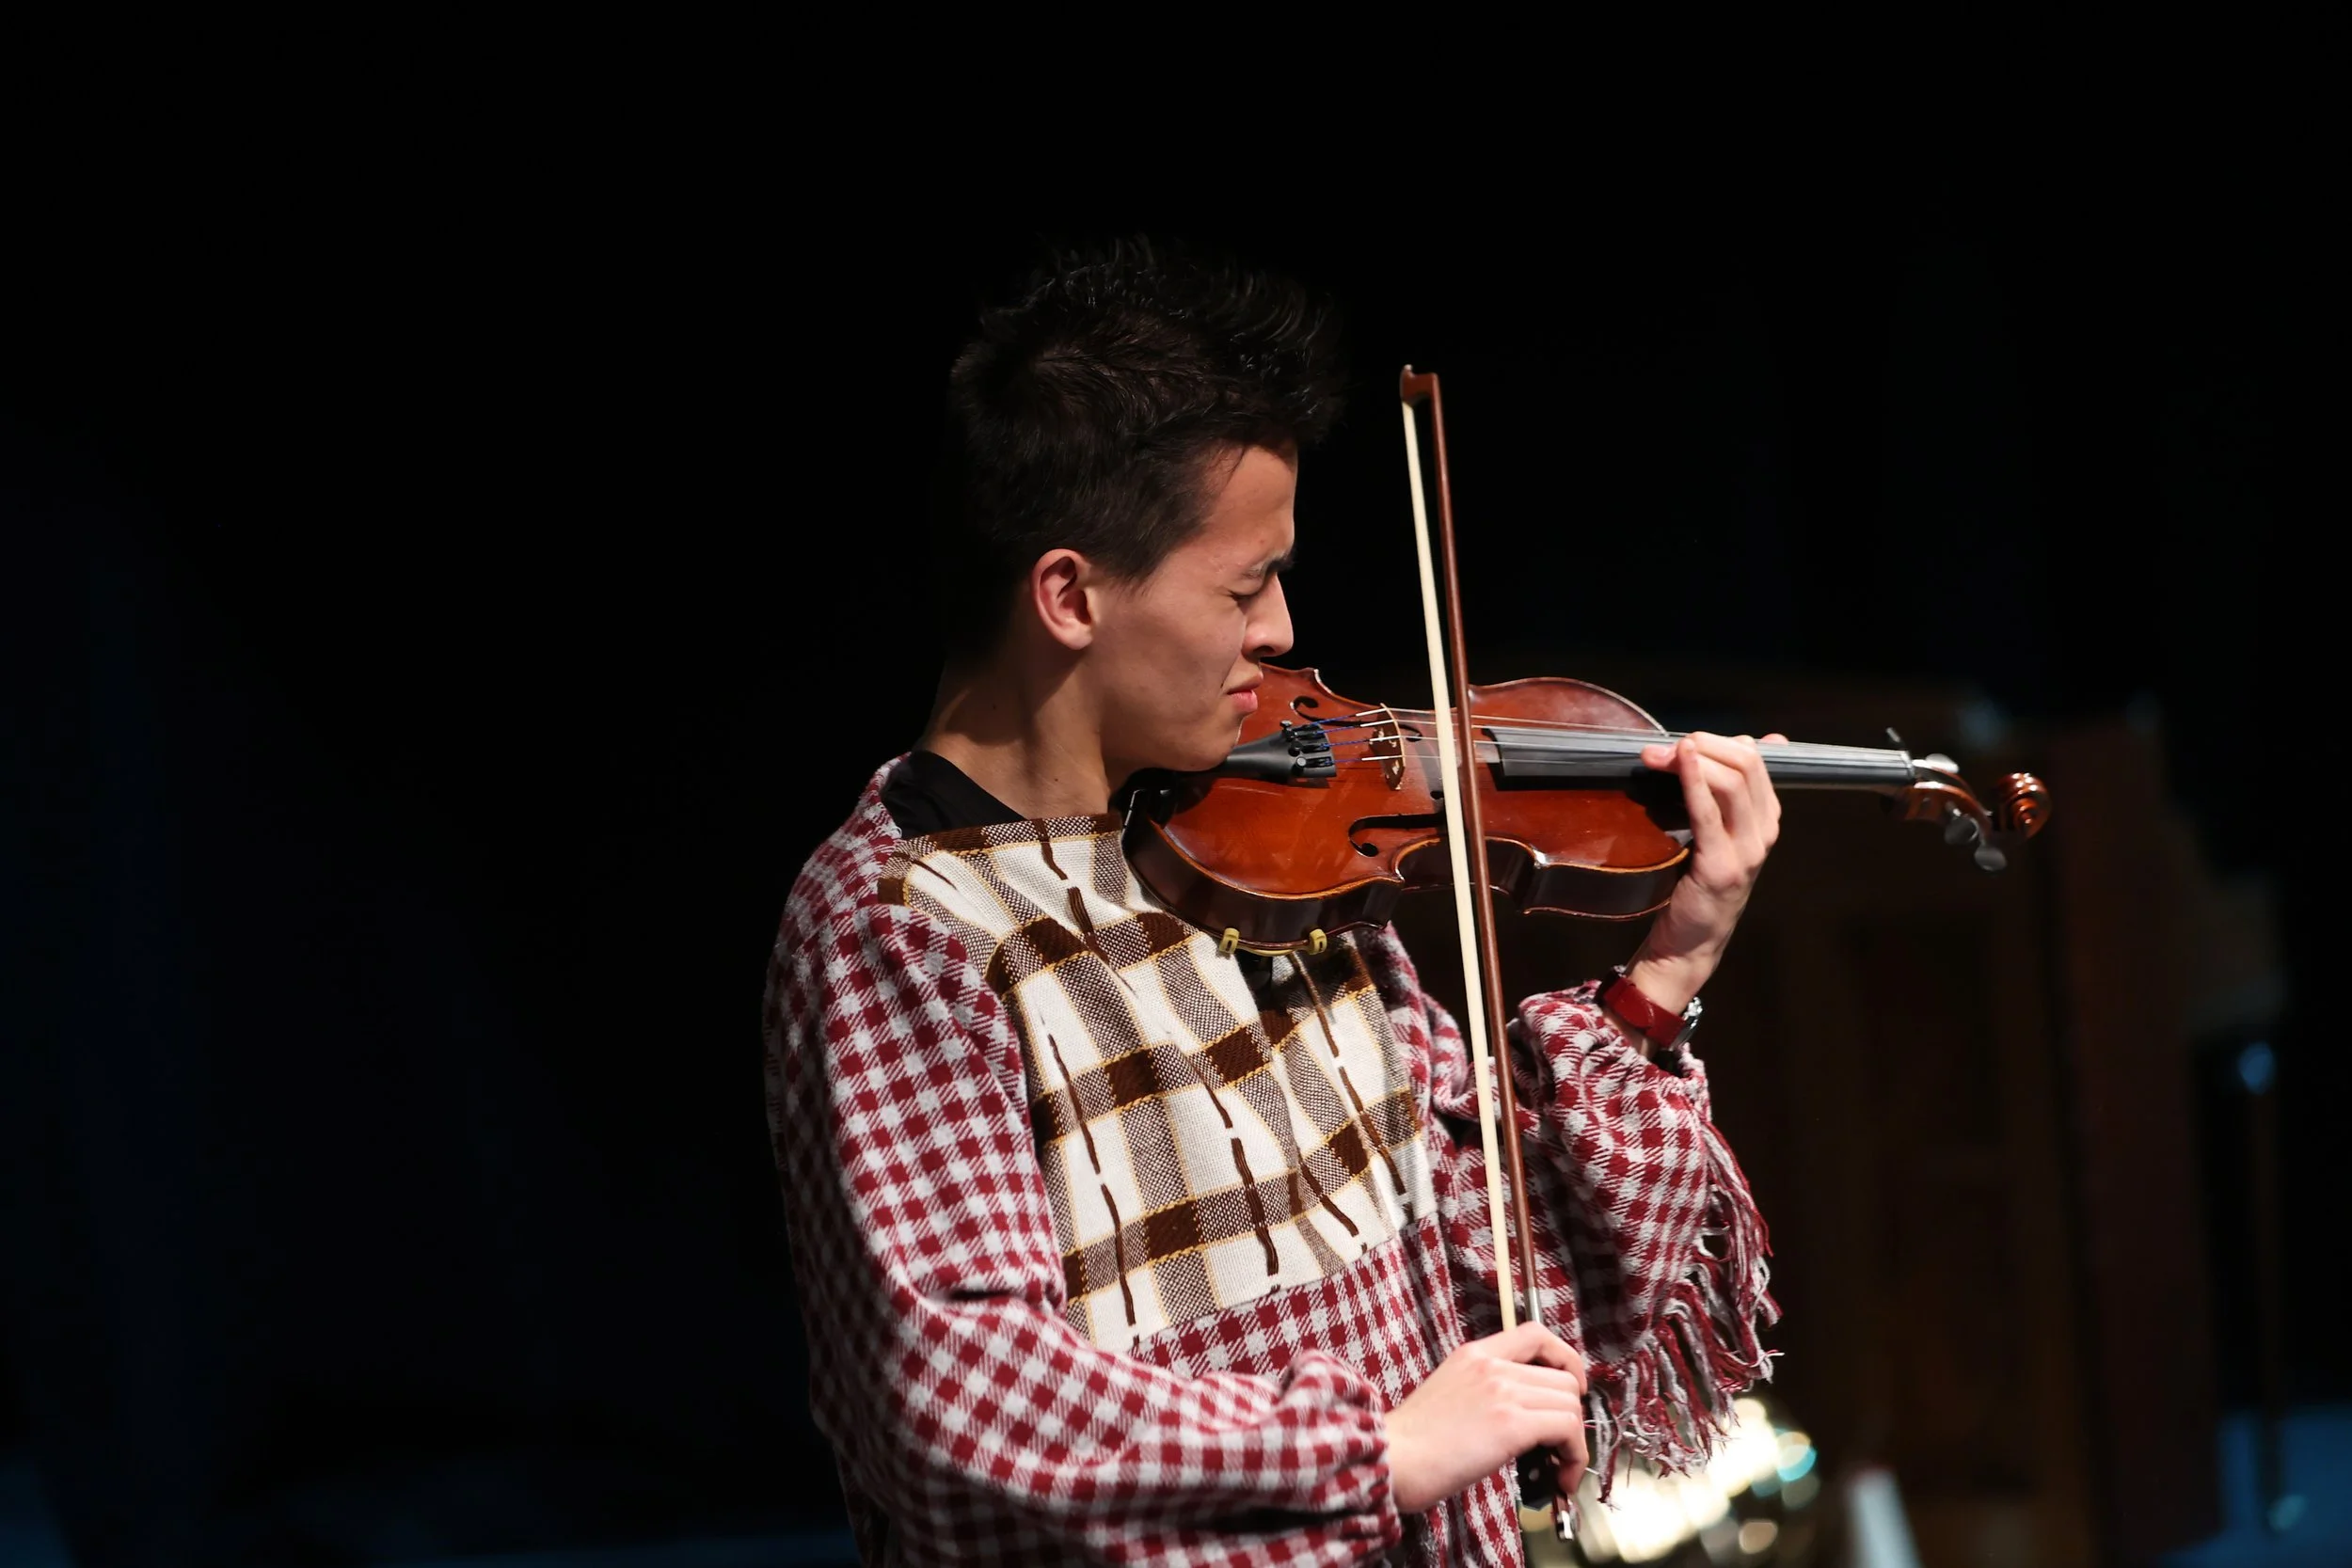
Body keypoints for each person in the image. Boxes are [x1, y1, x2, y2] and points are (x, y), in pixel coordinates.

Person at [761, 244, 1779, 1565]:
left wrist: (1669, 966)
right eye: (1245, 585)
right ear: (1069, 595)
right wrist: (1379, 1450)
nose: (1286, 629)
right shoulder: (899, 921)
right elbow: (967, 1402)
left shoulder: (1267, 855)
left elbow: (1470, 1247)